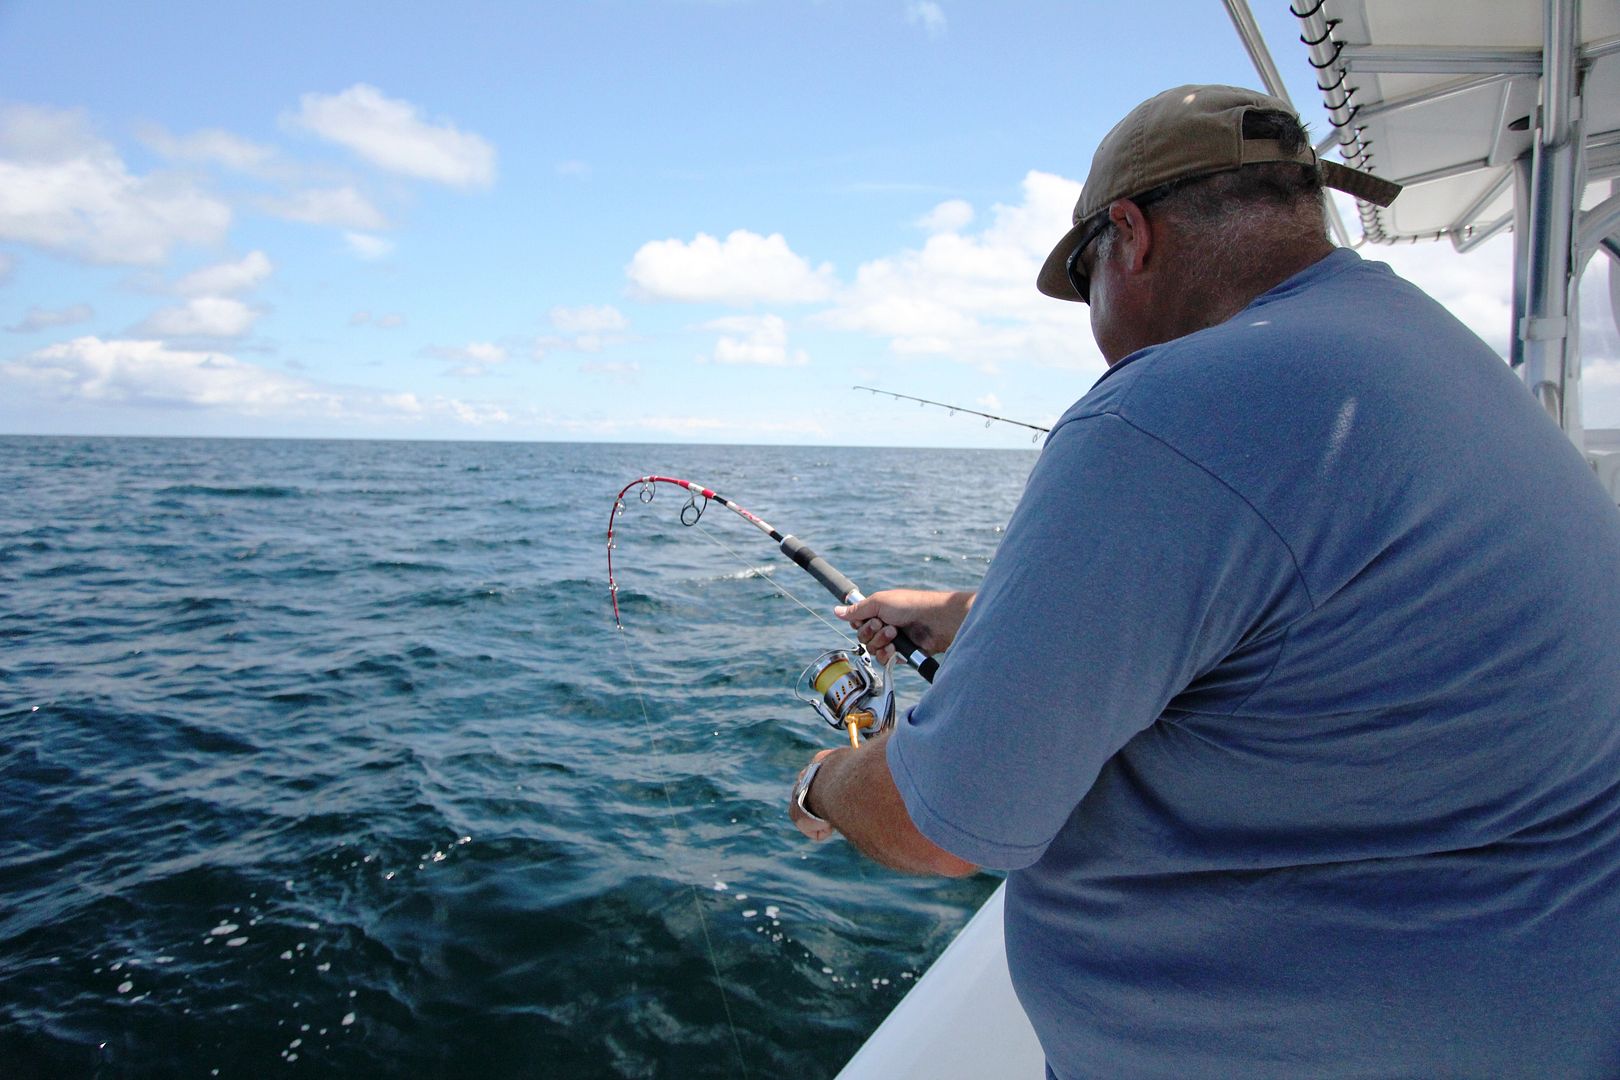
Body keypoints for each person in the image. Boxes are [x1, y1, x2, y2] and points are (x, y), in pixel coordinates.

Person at [788, 84, 1620, 1078]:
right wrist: (974, 616)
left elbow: (942, 826)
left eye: (1086, 274)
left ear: (1130, 238)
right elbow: (1303, 620)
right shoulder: (1423, 352)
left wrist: (824, 783)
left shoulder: (1165, 410)